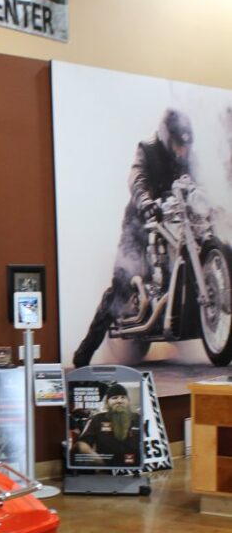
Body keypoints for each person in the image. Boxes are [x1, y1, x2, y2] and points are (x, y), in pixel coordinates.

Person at [72, 108, 194, 367]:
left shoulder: (189, 157)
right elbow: (137, 177)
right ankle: (85, 352)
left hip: (177, 223)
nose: (182, 151)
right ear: (166, 136)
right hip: (141, 224)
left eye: (185, 145)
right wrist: (146, 200)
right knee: (122, 285)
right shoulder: (148, 150)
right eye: (178, 144)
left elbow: (201, 182)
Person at [71, 383, 141, 467]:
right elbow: (82, 444)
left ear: (128, 401)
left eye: (123, 397)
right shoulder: (98, 419)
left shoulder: (138, 418)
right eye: (114, 398)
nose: (119, 401)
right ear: (107, 403)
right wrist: (99, 462)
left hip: (136, 470)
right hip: (108, 471)